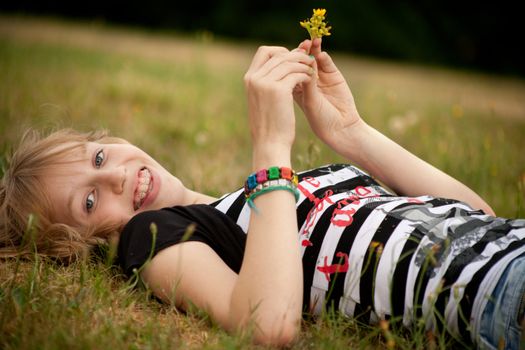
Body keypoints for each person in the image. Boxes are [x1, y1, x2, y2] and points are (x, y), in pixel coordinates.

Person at [0, 38, 523, 349]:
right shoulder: (153, 236)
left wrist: (349, 132)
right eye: (89, 202)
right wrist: (272, 146)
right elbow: (268, 325)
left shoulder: (264, 198)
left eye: (97, 156)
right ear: (82, 245)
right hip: (496, 297)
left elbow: (477, 215)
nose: (112, 176)